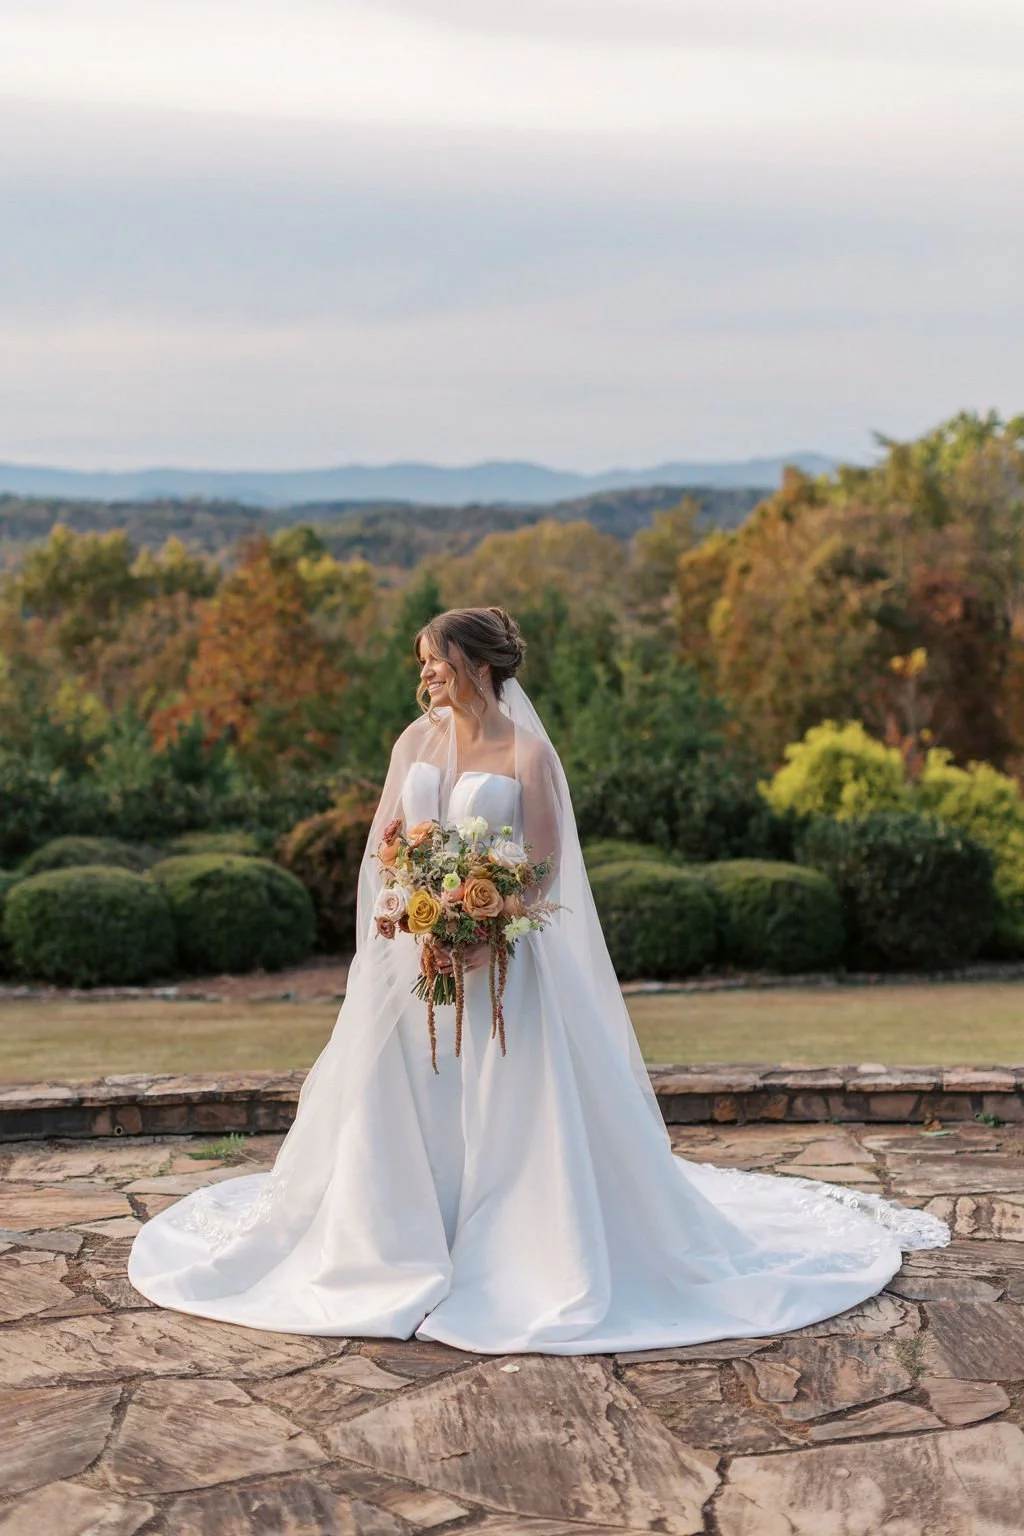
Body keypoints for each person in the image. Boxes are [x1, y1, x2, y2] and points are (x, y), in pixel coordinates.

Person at [128, 605, 947, 1353]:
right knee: (394, 1099)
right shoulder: (411, 744)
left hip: (505, 966)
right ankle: (394, 1247)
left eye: (439, 664)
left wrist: (484, 926)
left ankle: (514, 1254)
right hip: (408, 962)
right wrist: (407, 911)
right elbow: (386, 842)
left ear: (479, 668)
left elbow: (547, 870)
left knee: (514, 1112)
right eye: (422, 664)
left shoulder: (528, 752)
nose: (427, 678)